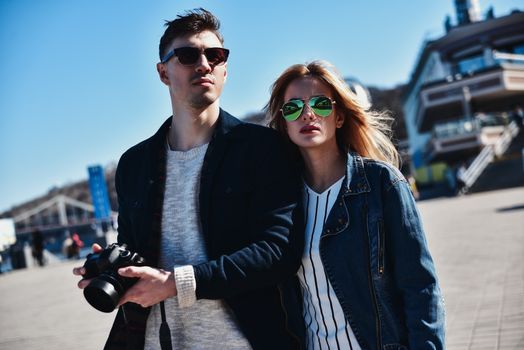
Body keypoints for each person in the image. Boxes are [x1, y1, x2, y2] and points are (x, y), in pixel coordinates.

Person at [74, 8, 303, 350]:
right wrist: (113, 269)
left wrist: (176, 282)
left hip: (242, 340)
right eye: (187, 55)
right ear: (163, 72)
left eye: (215, 55)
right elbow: (136, 249)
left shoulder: (262, 148)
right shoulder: (134, 164)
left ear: (226, 69)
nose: (204, 63)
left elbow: (278, 250)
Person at [267, 60, 445, 349]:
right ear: (284, 122)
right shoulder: (283, 202)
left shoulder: (381, 183)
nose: (308, 113)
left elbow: (420, 287)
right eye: (293, 108)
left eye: (321, 104)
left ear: (338, 117)